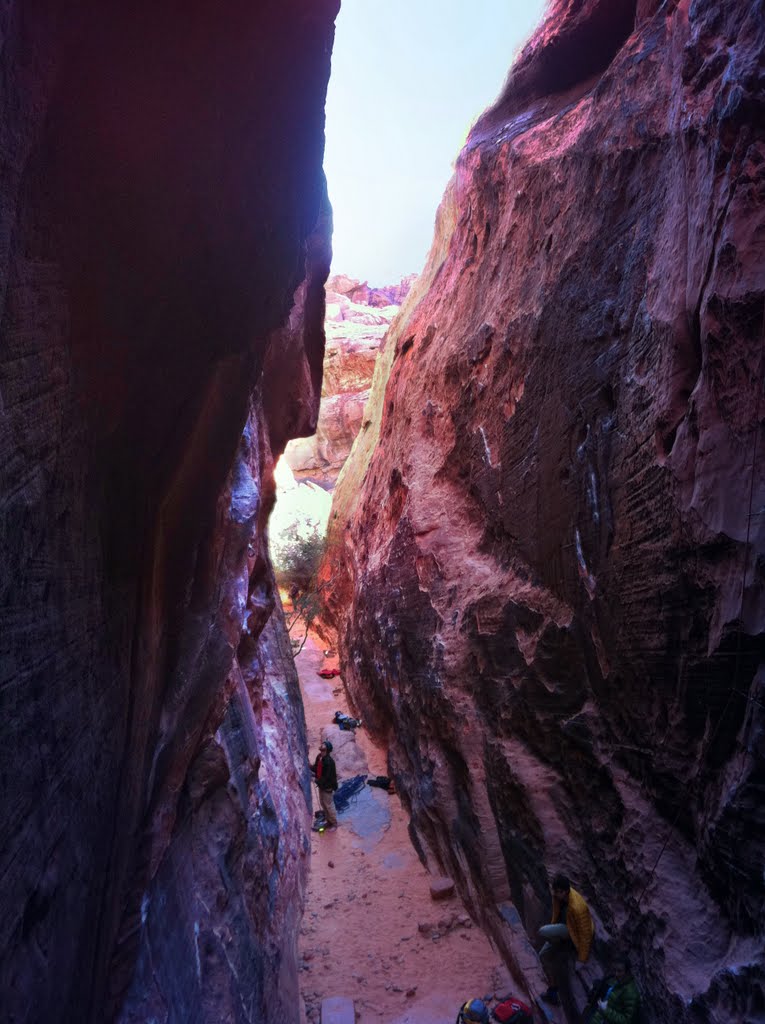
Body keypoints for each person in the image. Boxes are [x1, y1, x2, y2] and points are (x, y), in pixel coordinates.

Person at [538, 873, 594, 1005]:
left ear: (565, 891)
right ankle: (553, 992)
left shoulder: (578, 907)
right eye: (555, 892)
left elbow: (586, 934)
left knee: (542, 931)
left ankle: (563, 945)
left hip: (573, 933)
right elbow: (556, 914)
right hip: (565, 929)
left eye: (557, 892)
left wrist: (582, 959)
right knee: (543, 956)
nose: (555, 895)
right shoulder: (558, 896)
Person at [587, 955, 640, 1024]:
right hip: (597, 1018)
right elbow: (610, 995)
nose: (616, 974)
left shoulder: (631, 993)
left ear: (627, 972)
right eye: (614, 970)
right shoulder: (616, 980)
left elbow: (626, 1020)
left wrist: (606, 1010)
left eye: (619, 971)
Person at [310, 740, 338, 830]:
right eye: (321, 750)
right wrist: (309, 766)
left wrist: (316, 780)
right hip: (322, 785)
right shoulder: (319, 757)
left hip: (327, 786)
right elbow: (316, 768)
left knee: (328, 805)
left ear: (327, 751)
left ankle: (334, 823)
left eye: (323, 750)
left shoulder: (329, 762)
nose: (321, 752)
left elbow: (327, 777)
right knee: (323, 803)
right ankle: (328, 820)